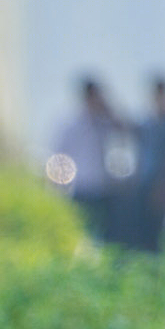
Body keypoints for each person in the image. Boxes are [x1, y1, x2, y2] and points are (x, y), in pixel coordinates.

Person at [52, 77, 125, 242]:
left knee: (104, 235)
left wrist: (108, 110)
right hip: (81, 188)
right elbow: (59, 158)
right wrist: (59, 188)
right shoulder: (71, 126)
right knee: (82, 234)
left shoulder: (103, 123)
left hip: (102, 188)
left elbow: (124, 131)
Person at [130, 75, 165, 253]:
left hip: (160, 187)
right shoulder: (147, 124)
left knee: (157, 235)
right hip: (143, 185)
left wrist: (164, 186)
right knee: (141, 232)